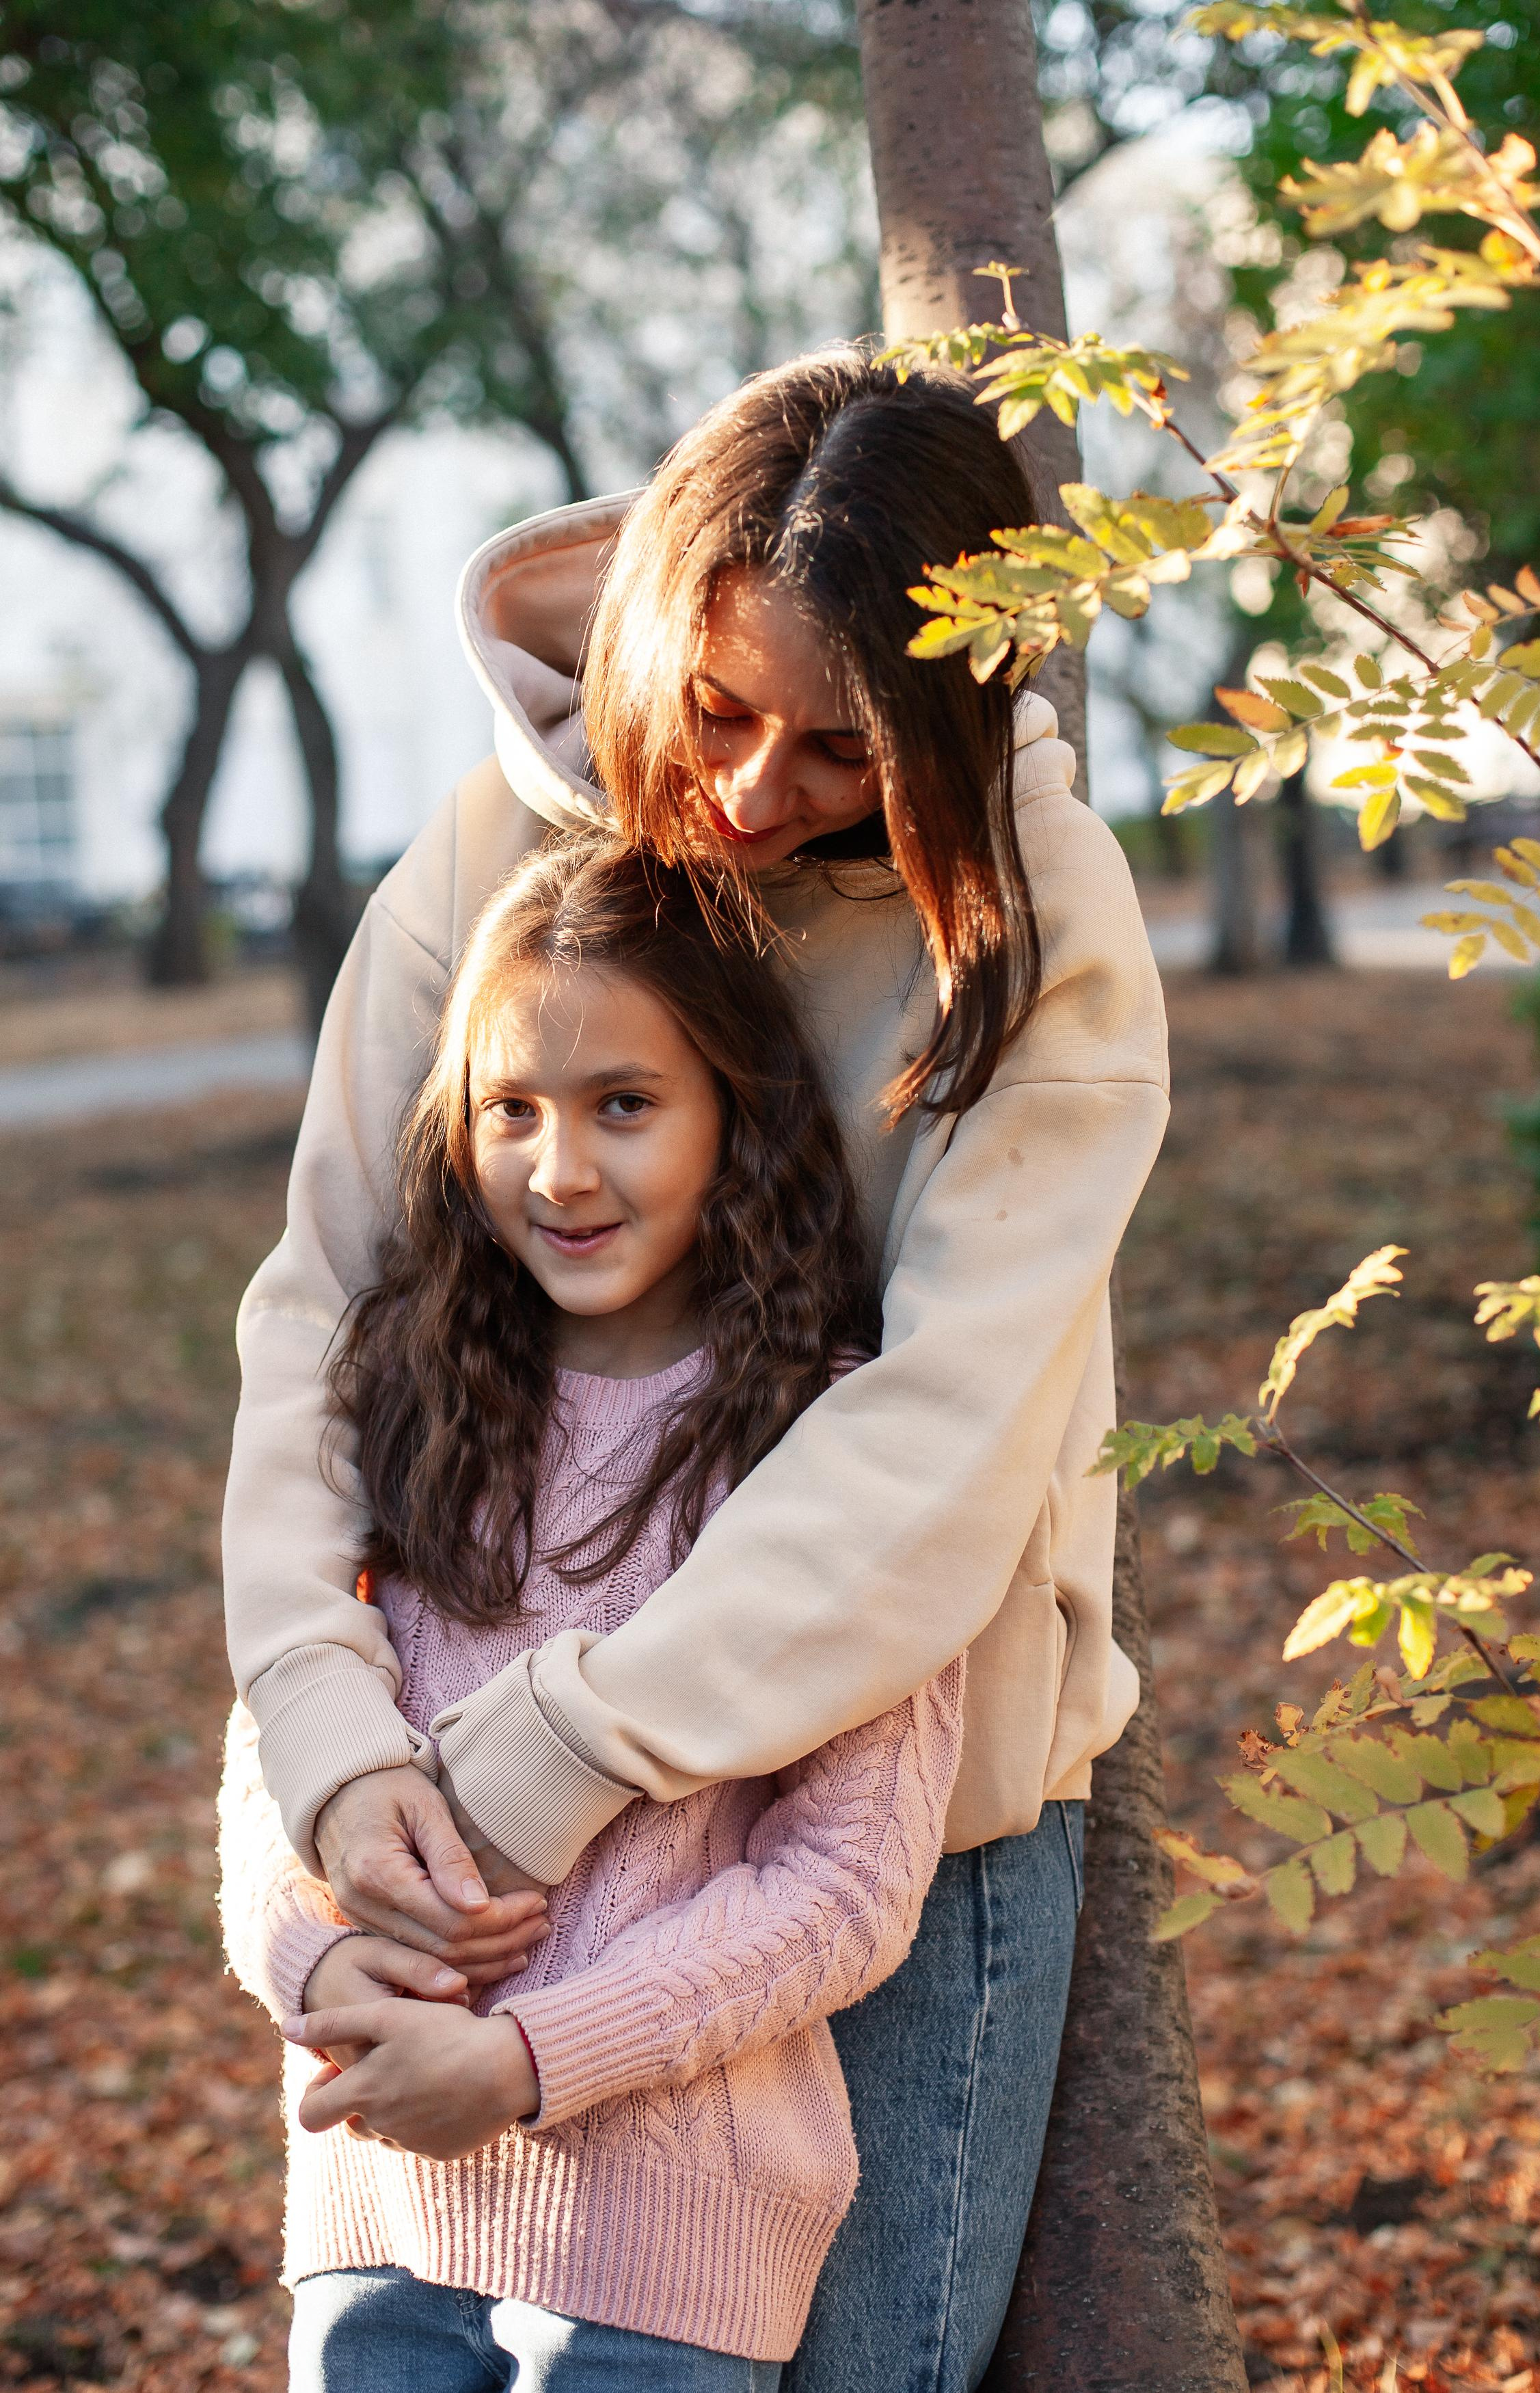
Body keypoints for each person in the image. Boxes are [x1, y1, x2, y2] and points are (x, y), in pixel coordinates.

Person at [223, 349, 1170, 2389]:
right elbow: (327, 1310)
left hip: (887, 1818)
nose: (746, 794)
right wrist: (330, 1735)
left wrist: (562, 1757)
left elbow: (943, 1430)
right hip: (462, 1806)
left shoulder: (1036, 909)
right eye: (717, 708)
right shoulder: (493, 848)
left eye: (840, 749)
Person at [219, 832, 965, 2389]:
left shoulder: (829, 1447)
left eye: (624, 1103)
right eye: (513, 1109)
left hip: (657, 2253)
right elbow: (281, 1733)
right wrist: (311, 1961)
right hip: (373, 2209)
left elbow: (844, 1883)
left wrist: (527, 2058)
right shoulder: (418, 1392)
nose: (558, 1171)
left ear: (733, 1113)